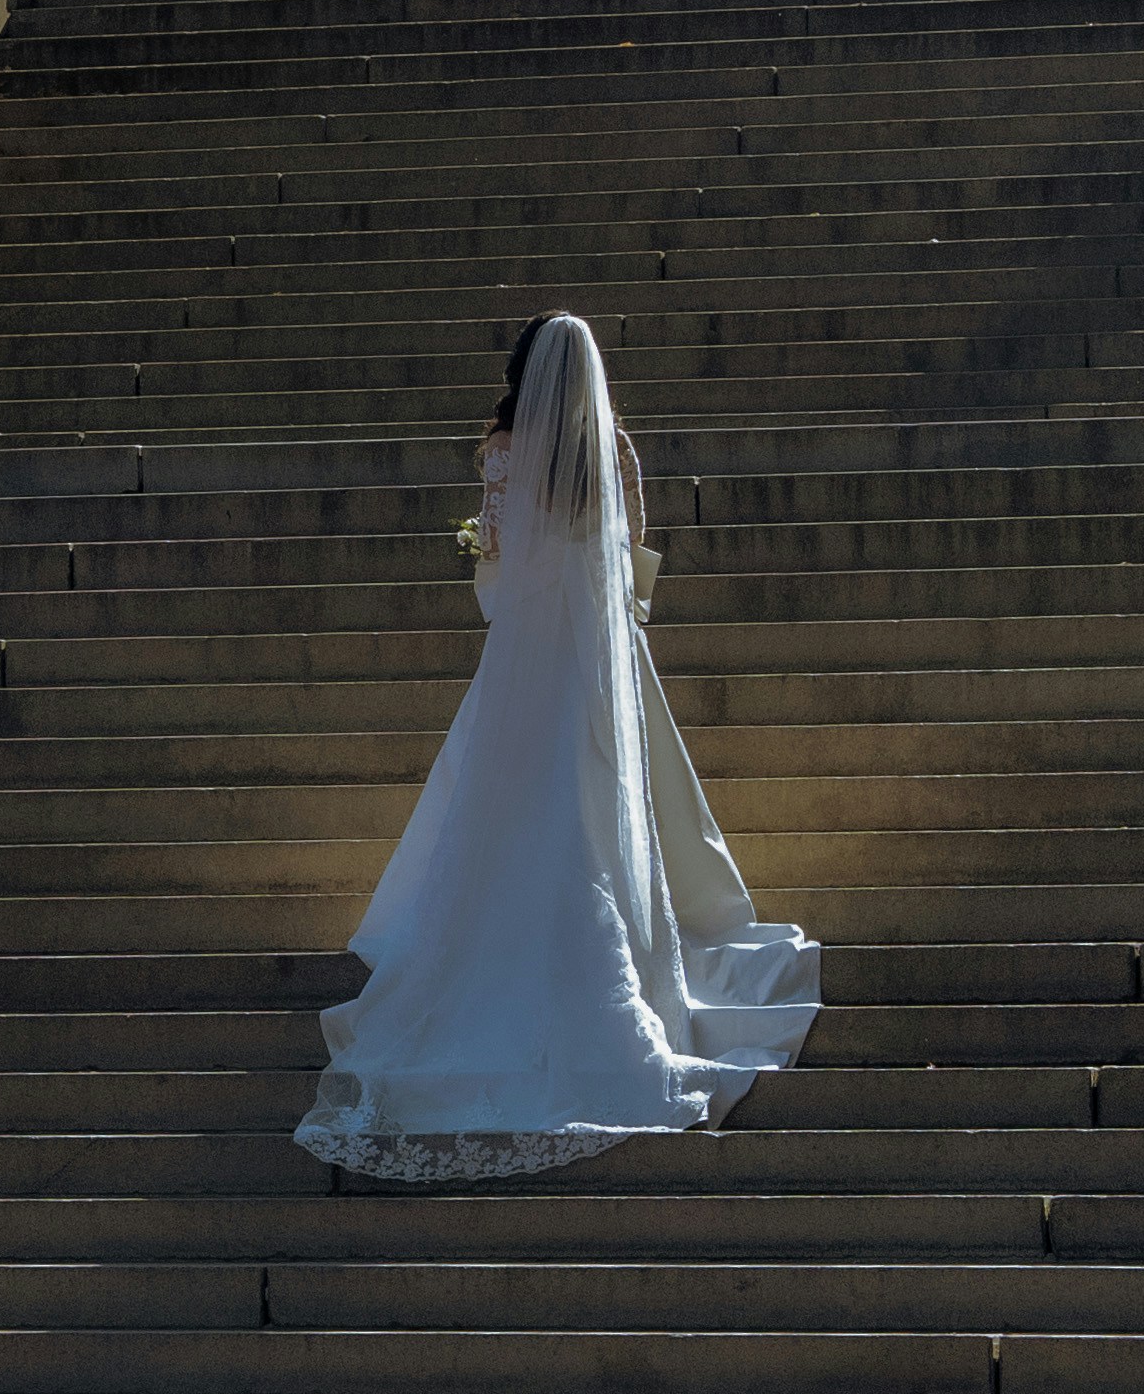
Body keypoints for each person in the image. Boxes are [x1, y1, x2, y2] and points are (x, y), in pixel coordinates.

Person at [295, 307, 820, 1184]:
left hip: (524, 654)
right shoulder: (612, 450)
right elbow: (635, 554)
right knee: (590, 806)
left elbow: (495, 557)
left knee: (502, 803)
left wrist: (502, 580)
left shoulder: (503, 450)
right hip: (595, 656)